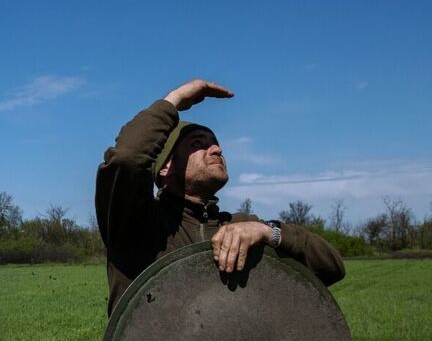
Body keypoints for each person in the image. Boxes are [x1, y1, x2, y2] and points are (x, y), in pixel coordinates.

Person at [95, 79, 345, 314]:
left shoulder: (242, 227)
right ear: (165, 167)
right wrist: (174, 100)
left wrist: (269, 232)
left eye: (215, 144)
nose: (216, 149)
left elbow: (331, 268)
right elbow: (125, 160)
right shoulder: (137, 225)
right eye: (197, 144)